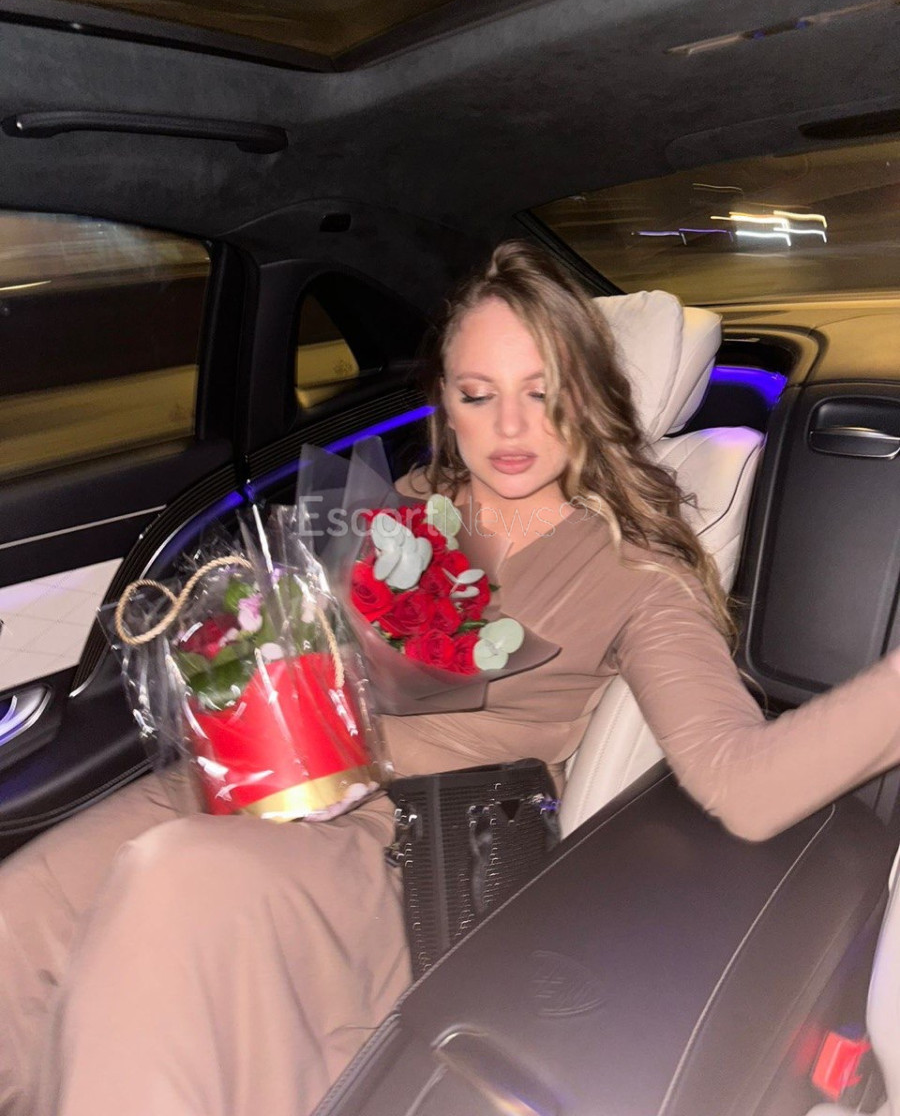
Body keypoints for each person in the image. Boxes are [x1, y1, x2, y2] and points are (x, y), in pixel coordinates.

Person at [2, 240, 900, 1116]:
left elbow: (745, 785)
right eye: (479, 394)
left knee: (173, 880)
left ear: (587, 396)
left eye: (541, 394)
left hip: (407, 833)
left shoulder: (636, 573)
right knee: (25, 905)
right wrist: (254, 646)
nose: (509, 429)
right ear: (444, 400)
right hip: (276, 772)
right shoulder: (407, 498)